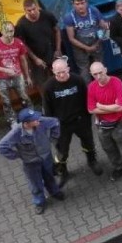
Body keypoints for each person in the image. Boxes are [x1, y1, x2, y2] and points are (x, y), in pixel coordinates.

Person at [43, 57, 102, 187]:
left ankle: (92, 161)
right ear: (53, 72)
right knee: (62, 151)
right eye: (58, 73)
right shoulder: (48, 87)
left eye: (63, 71)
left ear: (68, 68)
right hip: (61, 125)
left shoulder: (78, 80)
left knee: (88, 143)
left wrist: (87, 118)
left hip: (80, 121)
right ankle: (63, 172)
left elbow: (87, 99)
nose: (61, 75)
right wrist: (52, 126)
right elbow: (47, 110)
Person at [0, 108, 64, 215]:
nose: (38, 120)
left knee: (49, 176)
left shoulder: (41, 121)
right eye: (34, 120)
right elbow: (1, 147)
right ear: (26, 123)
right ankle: (39, 202)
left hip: (46, 157)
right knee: (35, 183)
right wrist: (17, 155)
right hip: (31, 163)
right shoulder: (16, 133)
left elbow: (55, 122)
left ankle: (54, 192)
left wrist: (53, 138)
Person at [0, 21, 33, 124]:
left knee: (24, 96)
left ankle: (30, 115)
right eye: (6, 31)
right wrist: (4, 70)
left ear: (14, 30)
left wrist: (27, 76)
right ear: (1, 32)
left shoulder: (18, 42)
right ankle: (12, 120)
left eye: (11, 31)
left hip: (17, 75)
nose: (9, 34)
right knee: (6, 101)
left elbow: (23, 60)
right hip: (1, 78)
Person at [15, 0, 62, 97]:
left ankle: (61, 99)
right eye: (29, 10)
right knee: (42, 83)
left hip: (52, 53)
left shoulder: (47, 15)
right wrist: (35, 58)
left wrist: (58, 49)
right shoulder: (21, 24)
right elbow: (22, 44)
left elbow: (57, 30)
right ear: (25, 10)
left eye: (34, 9)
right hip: (37, 58)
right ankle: (46, 103)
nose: (32, 12)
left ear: (37, 7)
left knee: (60, 77)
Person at [63, 0, 108, 83]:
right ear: (73, 4)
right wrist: (87, 48)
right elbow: (71, 38)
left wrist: (98, 41)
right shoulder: (69, 17)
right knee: (84, 70)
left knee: (99, 66)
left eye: (82, 3)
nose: (80, 6)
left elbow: (103, 27)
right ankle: (89, 91)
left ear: (86, 2)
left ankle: (103, 85)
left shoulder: (94, 11)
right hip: (80, 48)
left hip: (96, 44)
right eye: (77, 4)